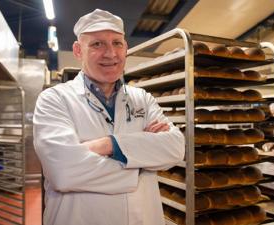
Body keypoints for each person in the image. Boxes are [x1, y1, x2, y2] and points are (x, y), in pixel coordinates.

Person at [33, 9, 185, 225]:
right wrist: (142, 163)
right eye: (97, 44)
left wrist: (109, 145)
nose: (110, 54)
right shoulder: (54, 100)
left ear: (126, 48)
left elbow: (176, 148)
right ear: (78, 50)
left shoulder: (142, 98)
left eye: (117, 43)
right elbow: (64, 172)